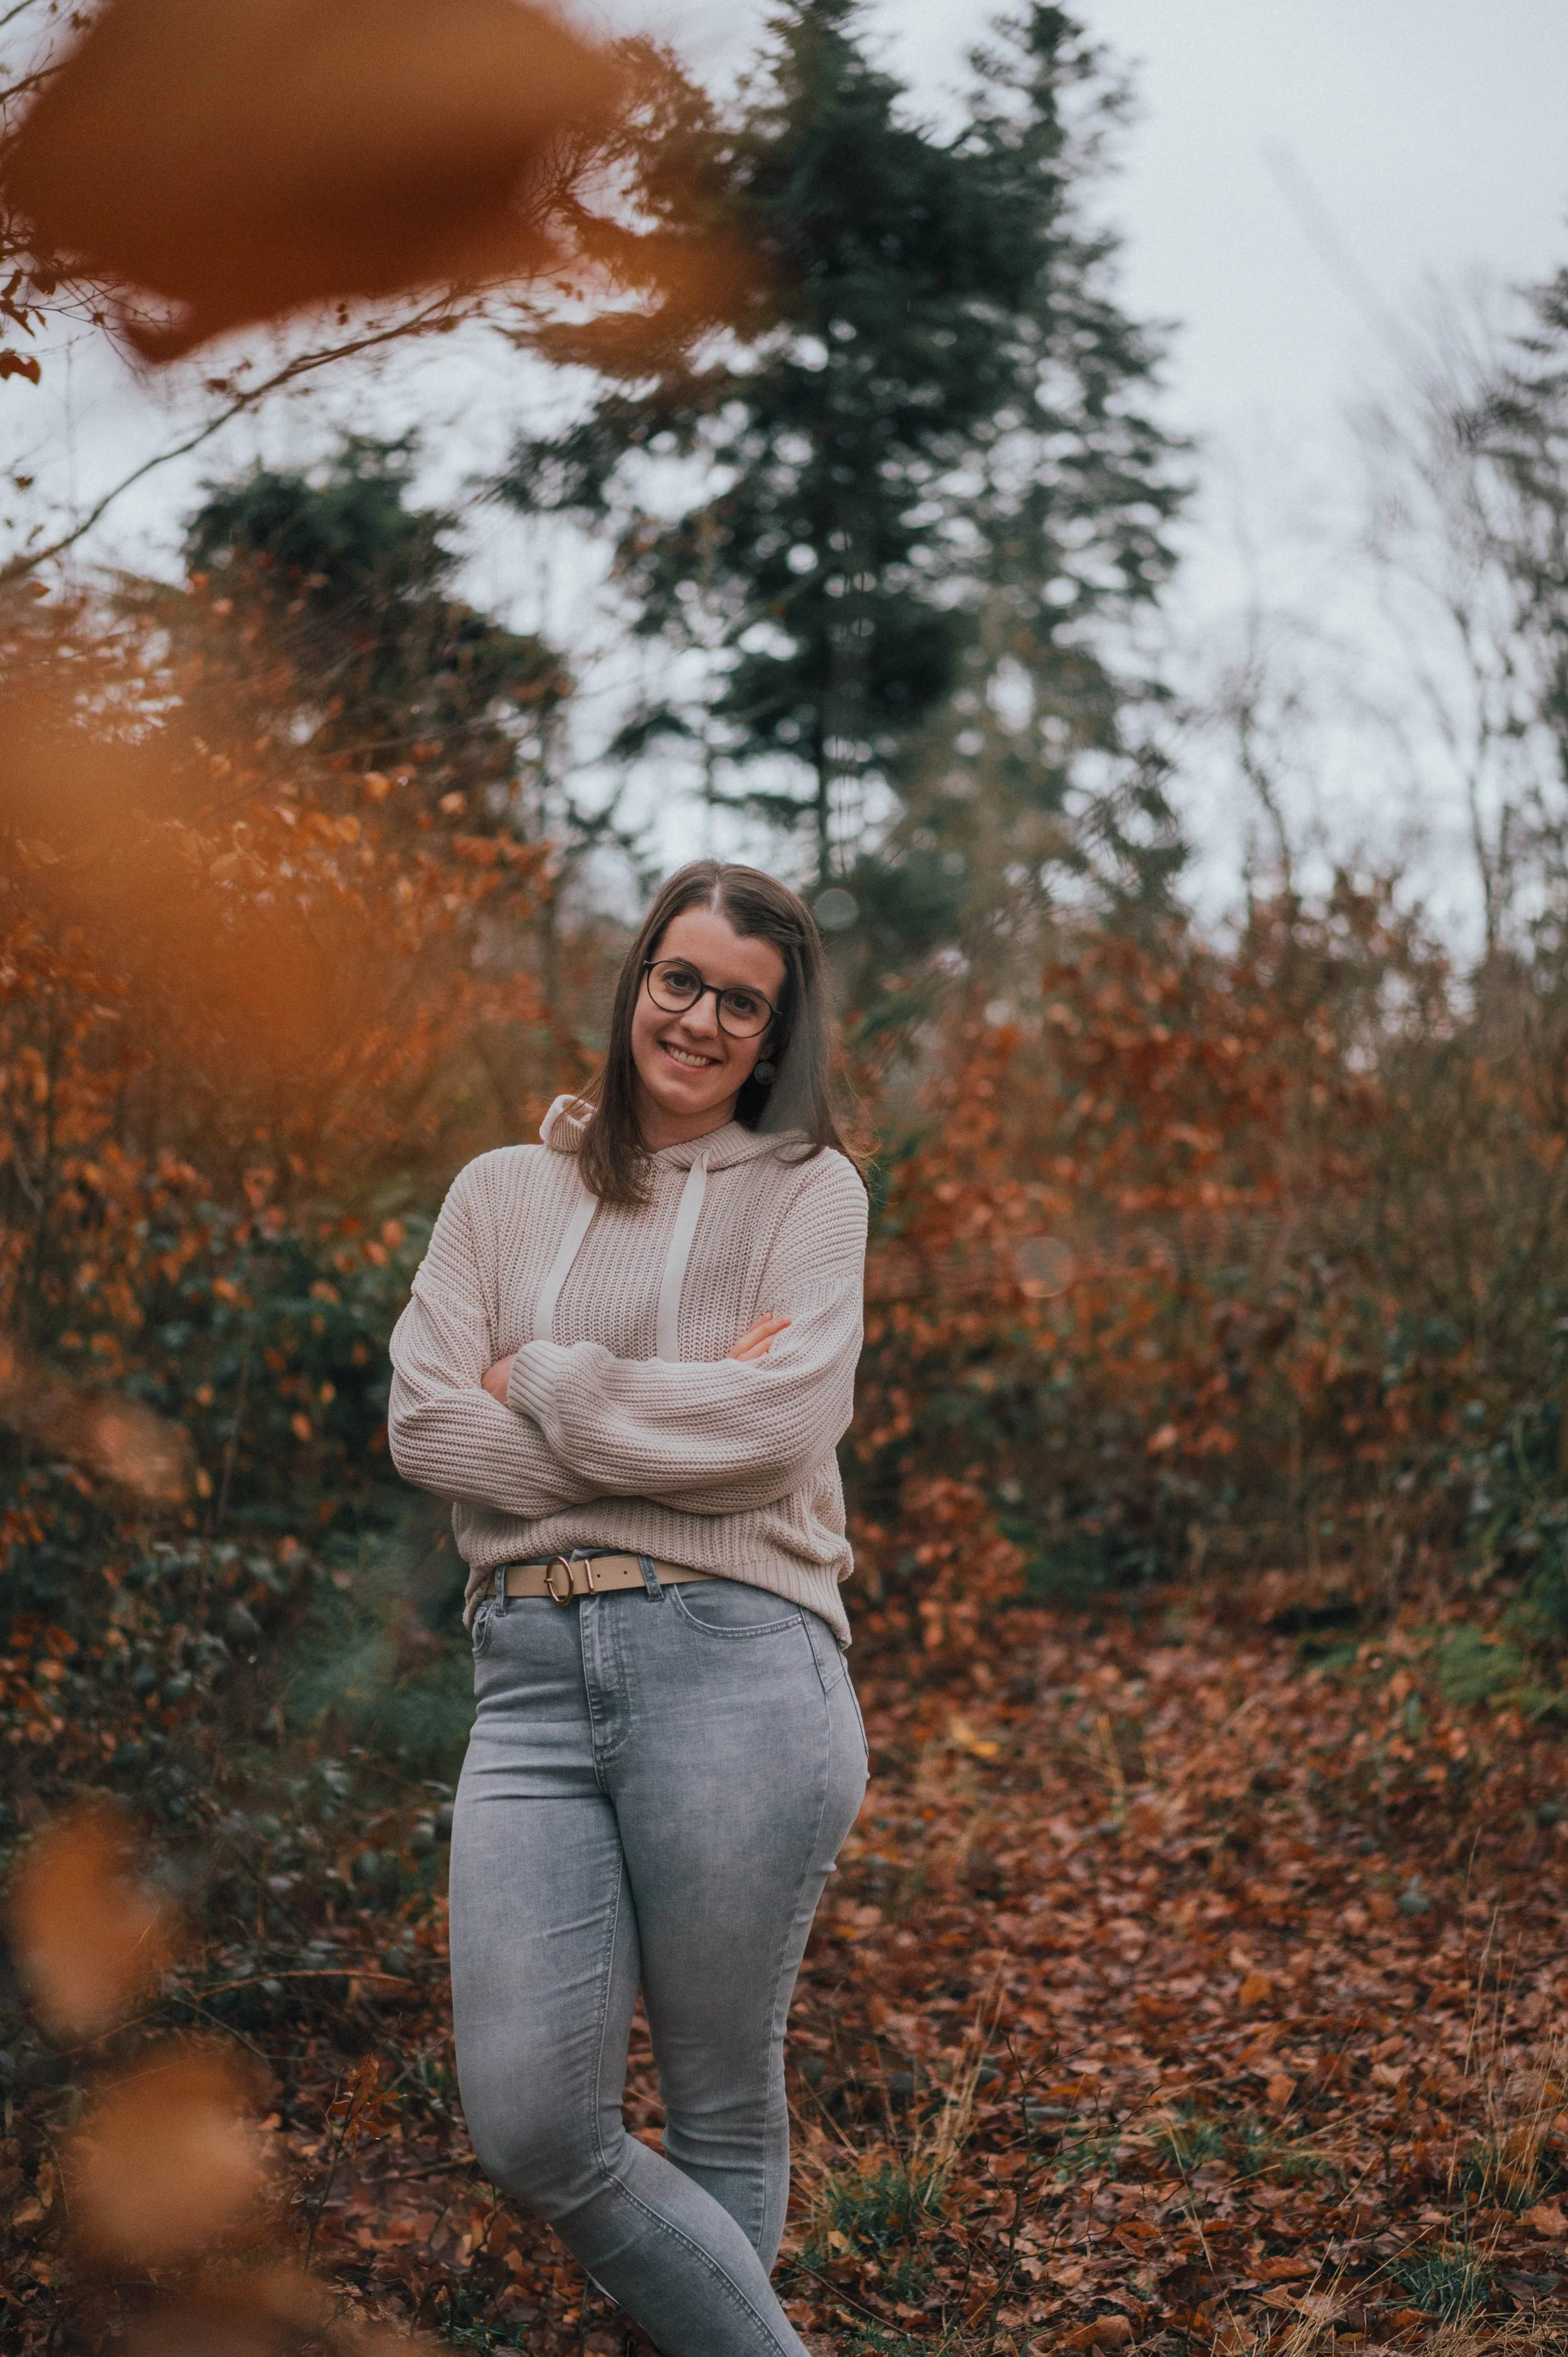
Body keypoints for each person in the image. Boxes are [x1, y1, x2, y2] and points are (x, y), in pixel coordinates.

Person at [387, 860, 870, 2356]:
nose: (701, 1018)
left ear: (773, 1035)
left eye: (741, 1001)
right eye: (680, 980)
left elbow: (770, 1435)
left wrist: (534, 1377)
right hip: (525, 1681)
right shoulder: (499, 1192)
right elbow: (419, 1427)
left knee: (723, 2097)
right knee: (533, 2127)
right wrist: (671, 1428)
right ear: (634, 982)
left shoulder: (810, 1195)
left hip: (739, 1659)